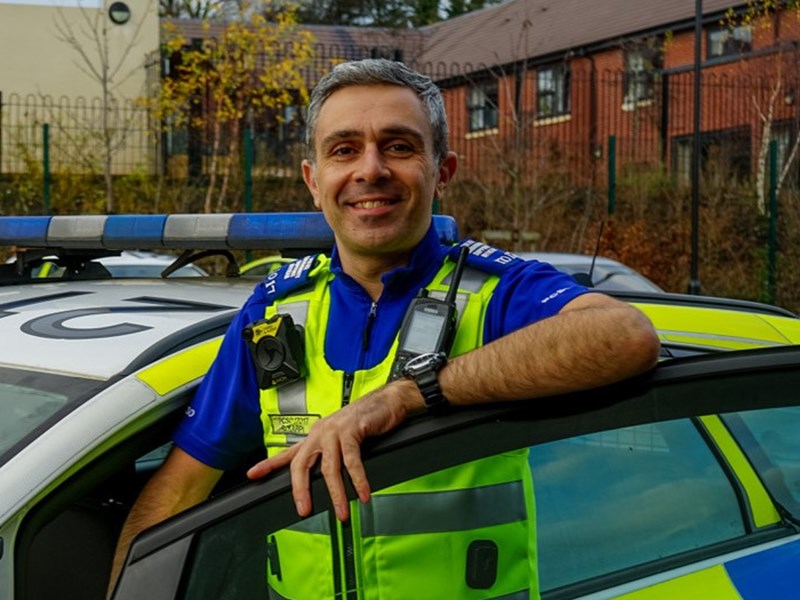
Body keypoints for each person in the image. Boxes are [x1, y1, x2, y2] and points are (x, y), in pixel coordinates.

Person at [109, 58, 660, 598]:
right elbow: (178, 491)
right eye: (344, 150)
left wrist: (410, 395)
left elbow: (624, 336)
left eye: (398, 146)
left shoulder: (497, 293)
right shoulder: (273, 313)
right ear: (313, 179)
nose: (369, 170)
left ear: (442, 170)